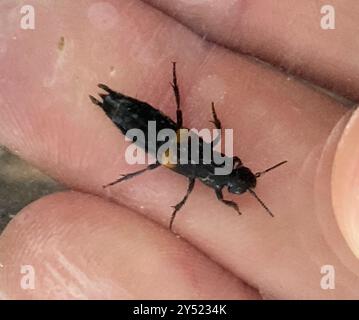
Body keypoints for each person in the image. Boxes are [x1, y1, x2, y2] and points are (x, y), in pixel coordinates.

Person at [0, 0, 358, 299]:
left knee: (159, 123)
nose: (233, 187)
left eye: (237, 185)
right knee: (156, 139)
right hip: (162, 144)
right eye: (234, 187)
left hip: (164, 133)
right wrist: (229, 202)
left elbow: (215, 143)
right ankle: (112, 107)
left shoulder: (219, 162)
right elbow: (217, 182)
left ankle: (111, 106)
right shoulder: (215, 180)